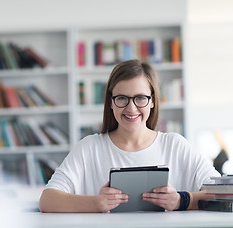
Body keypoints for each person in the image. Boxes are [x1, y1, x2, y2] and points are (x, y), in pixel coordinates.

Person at [39, 59, 220, 213]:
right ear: (111, 102)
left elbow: (223, 194)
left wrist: (181, 200)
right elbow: (47, 200)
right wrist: (95, 203)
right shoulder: (89, 147)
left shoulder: (175, 145)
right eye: (122, 98)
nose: (131, 108)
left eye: (140, 98)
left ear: (152, 101)